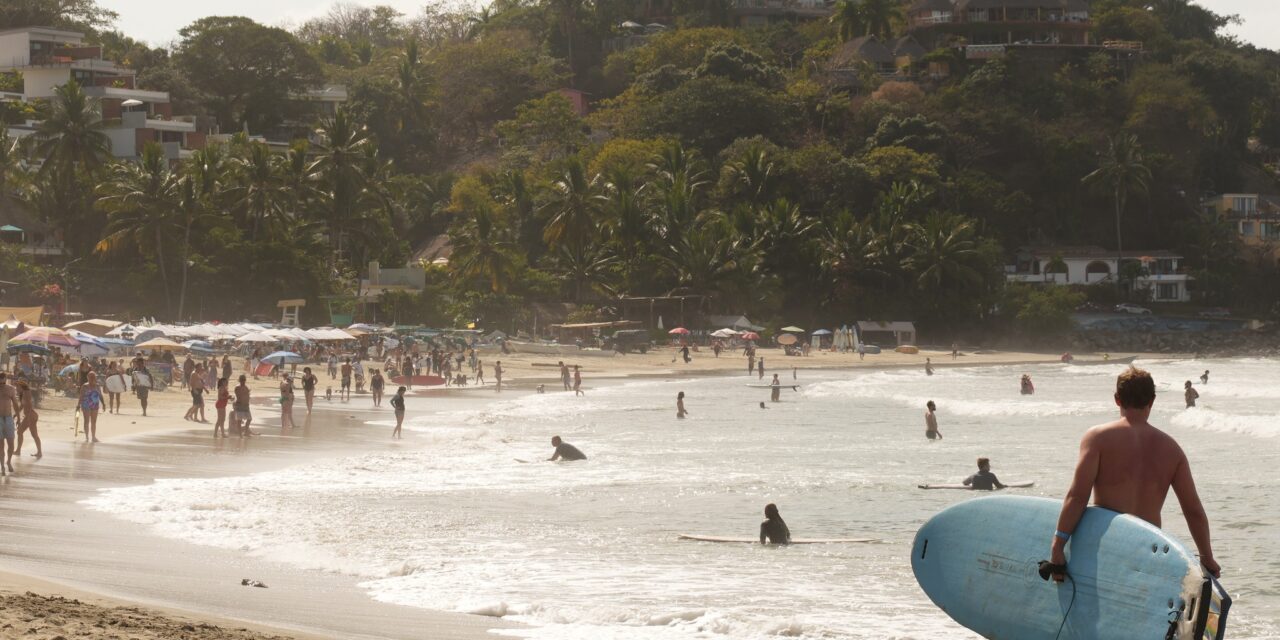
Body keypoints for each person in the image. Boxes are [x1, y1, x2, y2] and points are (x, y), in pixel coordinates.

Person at [1045, 368, 1219, 585]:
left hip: (1109, 544)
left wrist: (1058, 543)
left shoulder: (1097, 438)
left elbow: (1077, 496)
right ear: (1152, 401)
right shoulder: (1172, 449)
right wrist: (1207, 557)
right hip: (1149, 548)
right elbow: (1193, 510)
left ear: (1117, 399)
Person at [14, 380, 40, 460]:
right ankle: (39, 452)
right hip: (30, 415)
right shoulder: (23, 394)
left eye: (17, 387)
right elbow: (22, 406)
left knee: (28, 433)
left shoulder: (26, 392)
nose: (16, 389)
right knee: (23, 432)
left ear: (21, 386)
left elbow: (29, 404)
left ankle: (19, 450)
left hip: (31, 415)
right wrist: (15, 415)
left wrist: (28, 417)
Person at [0, 373, 17, 474]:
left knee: (11, 444)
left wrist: (18, 417)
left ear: (5, 379)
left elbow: (15, 403)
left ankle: (8, 462)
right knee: (1, 445)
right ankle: (2, 466)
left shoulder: (10, 389)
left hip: (9, 418)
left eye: (3, 381)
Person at [80, 371, 102, 443]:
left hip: (95, 405)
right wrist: (78, 405)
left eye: (93, 377)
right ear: (88, 378)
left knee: (94, 421)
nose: (92, 378)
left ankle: (93, 437)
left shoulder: (98, 386)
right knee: (86, 421)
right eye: (90, 377)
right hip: (86, 404)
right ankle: (86, 437)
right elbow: (81, 396)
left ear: (95, 378)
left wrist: (104, 404)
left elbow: (100, 395)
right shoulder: (84, 386)